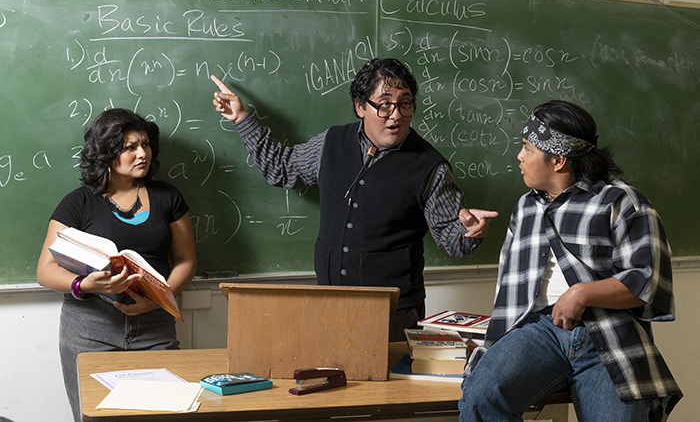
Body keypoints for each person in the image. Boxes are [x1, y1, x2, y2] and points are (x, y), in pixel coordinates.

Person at [211, 57, 498, 341]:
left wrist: (469, 231)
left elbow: (453, 239)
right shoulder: (331, 142)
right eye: (384, 104)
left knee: (390, 387)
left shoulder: (431, 167)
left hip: (394, 314)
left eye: (405, 104)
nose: (395, 114)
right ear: (361, 106)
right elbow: (283, 169)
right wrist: (241, 119)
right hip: (330, 302)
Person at [458, 100, 682, 422]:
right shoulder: (525, 208)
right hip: (538, 330)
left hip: (606, 330)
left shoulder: (621, 201)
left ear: (558, 160)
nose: (519, 157)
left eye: (527, 149)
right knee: (480, 397)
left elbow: (648, 280)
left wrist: (581, 294)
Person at [36, 108, 197, 422]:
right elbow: (45, 268)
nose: (142, 154)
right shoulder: (78, 202)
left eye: (146, 145)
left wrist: (160, 298)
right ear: (106, 154)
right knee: (96, 417)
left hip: (154, 327)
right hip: (90, 330)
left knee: (164, 414)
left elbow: (186, 260)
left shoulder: (168, 197)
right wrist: (85, 285)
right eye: (130, 147)